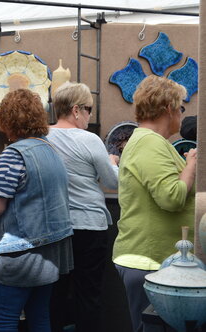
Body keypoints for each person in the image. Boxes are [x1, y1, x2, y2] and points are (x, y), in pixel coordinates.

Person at [0, 89, 74, 332]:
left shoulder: (13, 154)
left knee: (4, 318)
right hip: (53, 248)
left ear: (7, 120)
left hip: (22, 250)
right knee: (39, 315)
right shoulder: (50, 149)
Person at [112, 75, 196, 332]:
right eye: (181, 107)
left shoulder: (149, 142)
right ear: (169, 108)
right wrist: (191, 165)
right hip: (148, 261)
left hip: (152, 261)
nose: (181, 115)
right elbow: (171, 197)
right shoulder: (149, 142)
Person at [47, 82, 119, 332]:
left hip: (55, 227)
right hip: (89, 225)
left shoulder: (42, 137)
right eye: (89, 109)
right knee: (88, 295)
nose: (90, 115)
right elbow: (112, 182)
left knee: (55, 293)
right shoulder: (90, 140)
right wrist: (112, 163)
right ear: (76, 110)